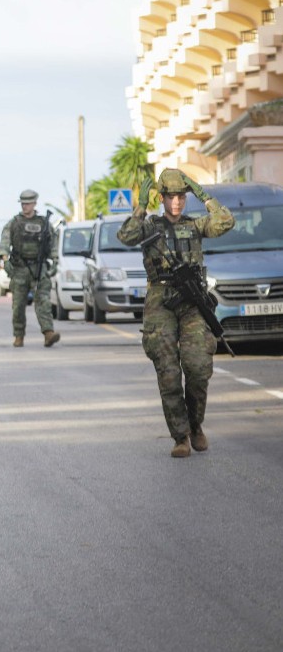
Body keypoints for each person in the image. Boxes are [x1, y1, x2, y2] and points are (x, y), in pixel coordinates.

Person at [118, 169, 234, 458]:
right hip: (161, 298)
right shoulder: (150, 227)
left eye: (182, 196)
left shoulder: (195, 225)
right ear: (162, 198)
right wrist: (140, 207)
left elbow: (226, 221)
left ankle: (196, 426)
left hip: (192, 299)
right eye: (171, 197)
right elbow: (126, 236)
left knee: (197, 367)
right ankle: (180, 436)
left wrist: (204, 195)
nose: (177, 202)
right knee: (168, 372)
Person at [0, 189, 60, 348]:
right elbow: (5, 242)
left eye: (28, 203)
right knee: (18, 305)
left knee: (43, 302)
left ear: (34, 203)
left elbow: (53, 243)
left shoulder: (43, 223)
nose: (25, 206)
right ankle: (19, 335)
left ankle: (48, 333)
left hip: (39, 269)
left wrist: (55, 261)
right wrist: (5, 259)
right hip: (20, 269)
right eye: (23, 203)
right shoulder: (14, 223)